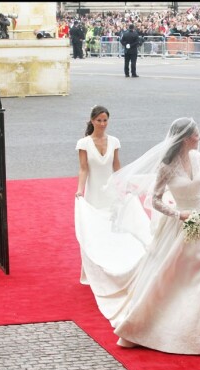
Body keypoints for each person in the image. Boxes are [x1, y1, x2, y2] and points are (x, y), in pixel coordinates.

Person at [76, 117, 200, 355]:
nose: (199, 138)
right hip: (181, 222)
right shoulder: (166, 167)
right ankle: (167, 322)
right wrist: (180, 214)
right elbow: (154, 200)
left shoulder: (199, 159)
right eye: (196, 135)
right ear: (185, 138)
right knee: (173, 275)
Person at [75, 105, 121, 283]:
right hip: (93, 193)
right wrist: (80, 189)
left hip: (111, 193)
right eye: (99, 120)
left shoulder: (115, 141)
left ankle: (110, 267)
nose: (102, 124)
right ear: (92, 121)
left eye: (105, 120)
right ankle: (92, 272)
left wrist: (122, 186)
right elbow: (83, 169)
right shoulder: (83, 143)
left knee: (111, 230)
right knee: (94, 232)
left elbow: (116, 166)